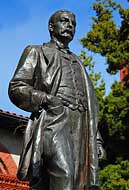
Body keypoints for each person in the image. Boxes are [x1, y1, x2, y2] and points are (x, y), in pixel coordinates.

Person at [8, 10, 104, 190]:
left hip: (81, 126)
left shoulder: (79, 63)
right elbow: (16, 87)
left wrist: (97, 139)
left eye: (73, 23)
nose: (70, 26)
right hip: (54, 121)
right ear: (51, 27)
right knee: (64, 174)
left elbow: (91, 107)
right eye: (64, 21)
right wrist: (46, 99)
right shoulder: (36, 51)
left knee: (80, 183)